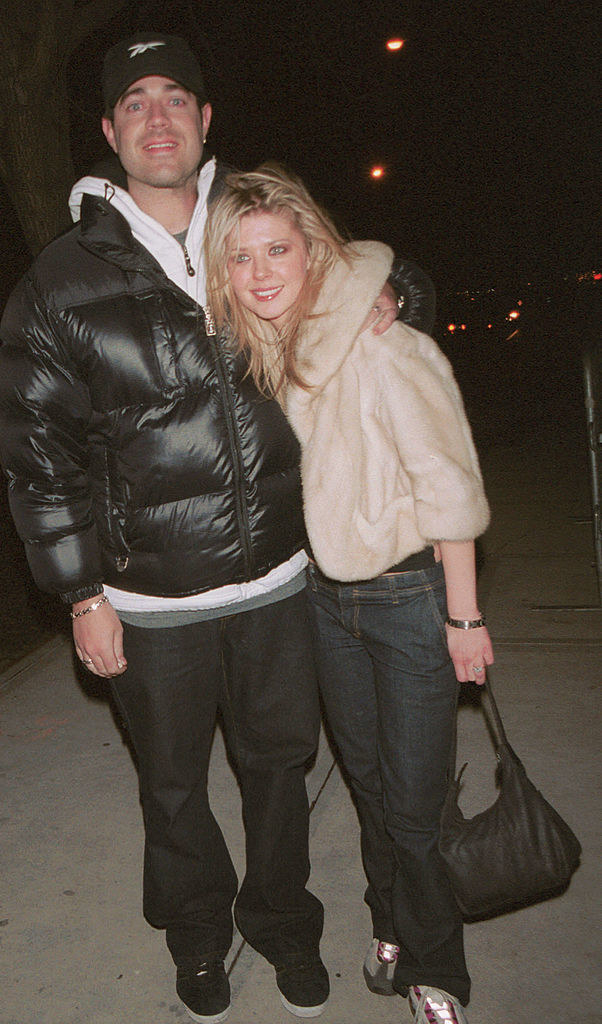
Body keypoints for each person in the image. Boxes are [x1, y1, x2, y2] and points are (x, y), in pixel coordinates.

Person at [0, 32, 436, 1024]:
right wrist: (81, 592)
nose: (158, 117)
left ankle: (283, 922)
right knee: (172, 787)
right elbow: (38, 451)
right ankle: (197, 936)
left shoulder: (260, 232)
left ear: (205, 120)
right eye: (135, 102)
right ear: (109, 131)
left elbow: (385, 282)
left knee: (279, 774)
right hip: (149, 603)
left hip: (279, 580)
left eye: (176, 97)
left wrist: (397, 300)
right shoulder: (59, 283)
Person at [204, 164, 494, 1024]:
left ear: (313, 249)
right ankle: (393, 927)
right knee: (368, 786)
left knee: (412, 805)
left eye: (277, 249)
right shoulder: (278, 354)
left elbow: (448, 483)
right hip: (325, 605)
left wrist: (465, 614)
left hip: (409, 600)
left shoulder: (383, 343)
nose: (259, 271)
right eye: (240, 257)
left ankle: (438, 970)